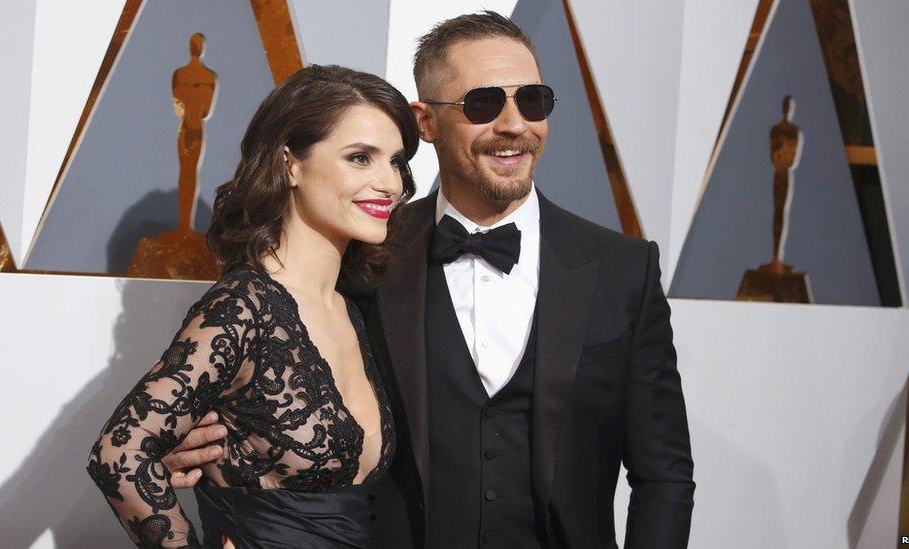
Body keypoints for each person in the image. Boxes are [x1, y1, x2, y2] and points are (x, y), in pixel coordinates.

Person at [170, 11, 695, 548]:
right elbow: (278, 397)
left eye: (532, 100)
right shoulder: (359, 256)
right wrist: (211, 441)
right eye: (484, 103)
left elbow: (664, 475)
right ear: (425, 122)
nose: (514, 124)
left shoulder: (624, 268)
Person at [86, 64, 419, 548]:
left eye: (396, 161)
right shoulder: (243, 307)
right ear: (291, 164)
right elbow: (120, 454)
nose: (389, 182)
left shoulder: (350, 307)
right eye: (361, 158)